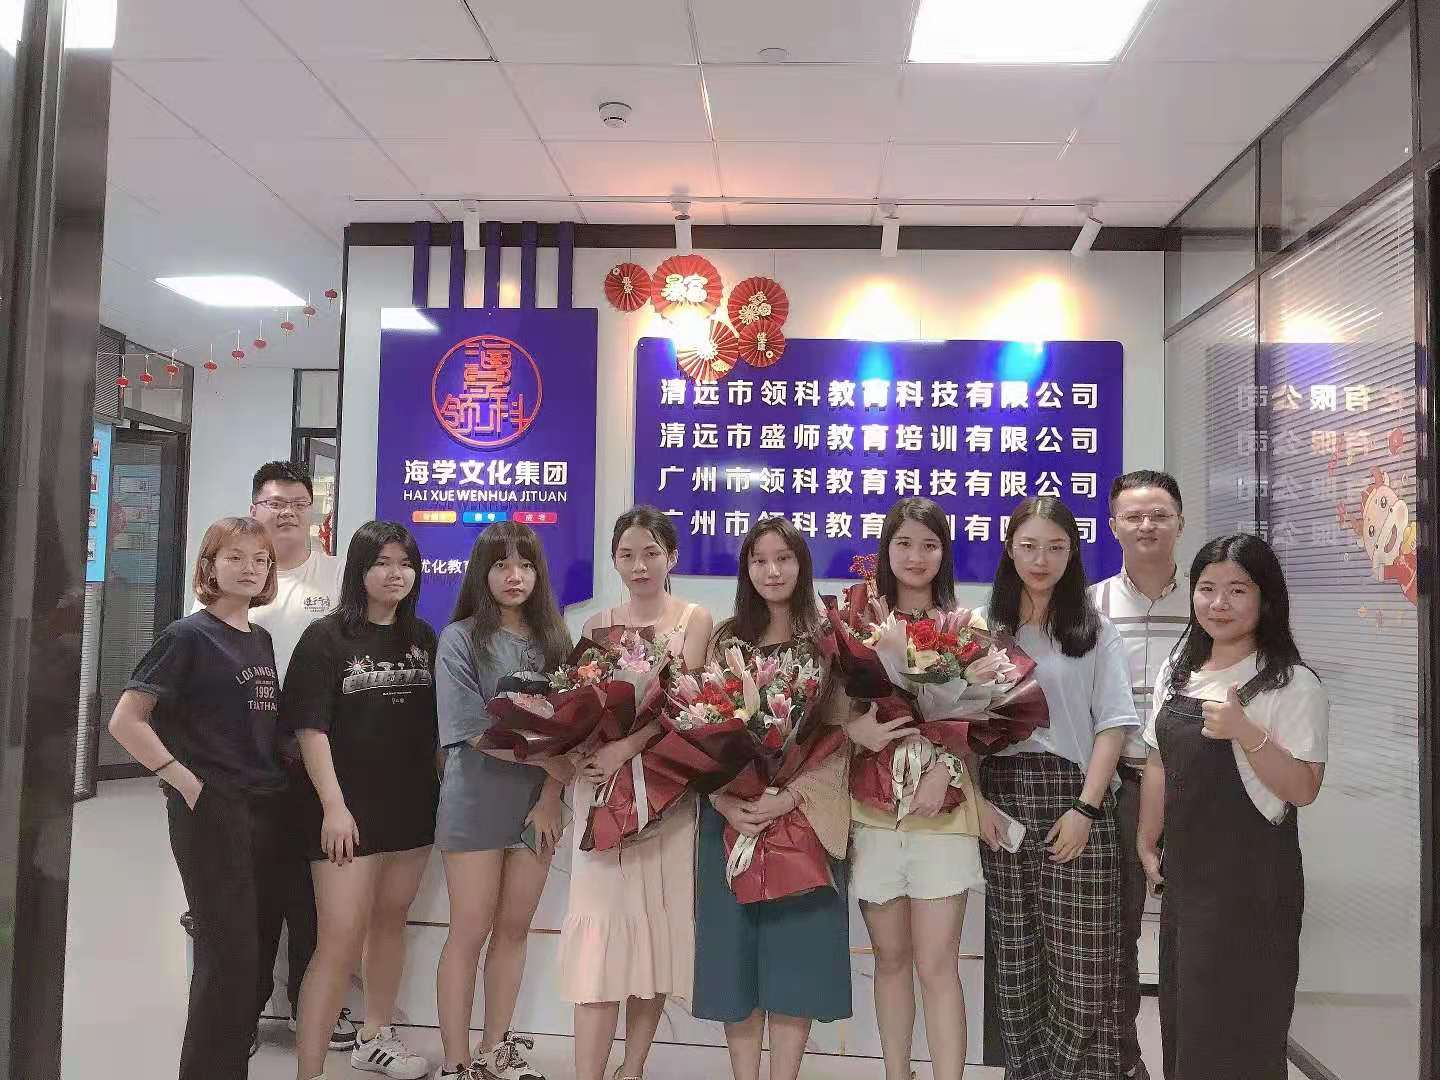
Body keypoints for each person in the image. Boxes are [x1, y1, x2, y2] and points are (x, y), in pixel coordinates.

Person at [1137, 535, 1327, 1080]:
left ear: (1266, 599)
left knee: (1242, 1024)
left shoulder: (1292, 683)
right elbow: (1158, 759)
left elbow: (1304, 788)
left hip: (1254, 885)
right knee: (1187, 1020)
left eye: (1237, 590)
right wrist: (1147, 840)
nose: (1219, 604)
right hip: (1189, 876)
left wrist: (1246, 732)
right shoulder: (1179, 667)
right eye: (1207, 588)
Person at [692, 517, 872, 1080]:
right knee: (734, 961)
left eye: (784, 558)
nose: (772, 571)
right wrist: (726, 801)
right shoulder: (725, 640)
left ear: (802, 564)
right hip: (735, 823)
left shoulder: (831, 642)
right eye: (759, 559)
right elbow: (698, 729)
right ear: (746, 568)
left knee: (797, 963)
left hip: (806, 819)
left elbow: (844, 738)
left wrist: (790, 796)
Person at [106, 517, 284, 1080]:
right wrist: (184, 781)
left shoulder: (259, 639)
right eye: (236, 557)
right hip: (210, 809)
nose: (250, 568)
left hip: (261, 807)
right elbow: (126, 721)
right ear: (209, 566)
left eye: (260, 560)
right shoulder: (187, 636)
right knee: (226, 956)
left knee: (249, 960)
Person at [975, 496, 1139, 1080]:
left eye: (1055, 548)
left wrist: (1086, 809)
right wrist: (976, 803)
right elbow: (957, 725)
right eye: (1029, 546)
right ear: (1008, 549)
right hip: (1001, 797)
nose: (1040, 560)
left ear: (1072, 554)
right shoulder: (982, 630)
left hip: (1074, 795)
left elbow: (1113, 725)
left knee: (1083, 957)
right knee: (1016, 955)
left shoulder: (1094, 631)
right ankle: (1027, 1070)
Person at [193, 462, 352, 1052]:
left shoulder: (337, 575)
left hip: (318, 753)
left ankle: (316, 1008)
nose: (286, 512)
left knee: (314, 893)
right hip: (243, 760)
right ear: (254, 508)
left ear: (314, 509)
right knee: (252, 891)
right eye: (273, 502)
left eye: (297, 502)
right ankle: (246, 1010)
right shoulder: (235, 582)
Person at [562, 507, 714, 1080]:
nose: (639, 565)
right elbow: (580, 705)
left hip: (664, 795)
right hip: (602, 793)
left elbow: (685, 706)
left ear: (671, 556)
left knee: (654, 934)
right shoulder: (595, 626)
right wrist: (581, 749)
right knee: (598, 936)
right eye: (626, 555)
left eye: (651, 553)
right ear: (614, 561)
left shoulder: (695, 620)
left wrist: (626, 747)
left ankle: (632, 1070)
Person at [284, 522, 439, 1080]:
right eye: (382, 563)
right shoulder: (325, 638)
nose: (396, 573)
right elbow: (310, 730)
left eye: (405, 563)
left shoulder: (423, 637)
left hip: (411, 809)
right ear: (359, 570)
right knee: (339, 940)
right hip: (344, 814)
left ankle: (375, 1037)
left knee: (390, 923)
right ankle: (309, 1069)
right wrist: (333, 805)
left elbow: (433, 728)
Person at [850, 498, 989, 1080]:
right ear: (886, 549)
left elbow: (985, 719)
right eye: (903, 543)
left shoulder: (966, 628)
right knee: (889, 959)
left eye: (929, 545)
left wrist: (946, 767)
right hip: (874, 814)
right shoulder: (859, 624)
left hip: (944, 819)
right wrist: (852, 728)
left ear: (944, 554)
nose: (915, 556)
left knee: (937, 965)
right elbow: (829, 707)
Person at [434, 521, 573, 1080]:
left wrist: (551, 794)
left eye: (525, 565)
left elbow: (572, 735)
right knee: (468, 931)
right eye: (501, 565)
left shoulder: (557, 643)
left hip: (537, 808)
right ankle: (456, 1061)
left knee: (514, 931)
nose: (515, 576)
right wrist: (548, 764)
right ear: (482, 573)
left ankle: (495, 1050)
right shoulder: (460, 639)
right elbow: (470, 728)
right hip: (474, 800)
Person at [1088, 470, 1189, 1080]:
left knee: (1192, 935)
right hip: (1120, 787)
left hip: (1195, 789)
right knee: (1116, 932)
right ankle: (1126, 1061)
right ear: (1113, 526)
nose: (1147, 525)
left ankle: (1190, 1060)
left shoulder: (1207, 599)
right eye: (1134, 515)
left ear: (1180, 522)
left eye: (1159, 515)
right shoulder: (1091, 604)